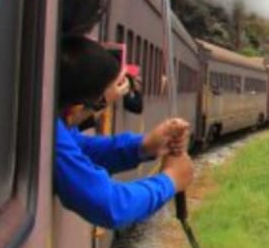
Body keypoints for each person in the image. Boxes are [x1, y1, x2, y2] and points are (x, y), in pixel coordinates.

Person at [56, 35, 194, 228]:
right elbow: (111, 206)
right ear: (75, 110)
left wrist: (144, 146)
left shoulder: (53, 127)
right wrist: (170, 181)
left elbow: (81, 148)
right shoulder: (52, 137)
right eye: (101, 105)